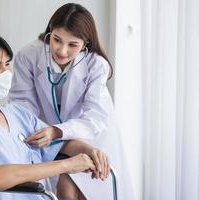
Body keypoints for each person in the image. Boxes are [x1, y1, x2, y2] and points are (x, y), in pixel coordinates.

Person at [0, 31, 111, 200]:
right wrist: (67, 165)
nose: (6, 72)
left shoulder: (17, 114)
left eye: (7, 64)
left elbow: (59, 143)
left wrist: (91, 151)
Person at [9, 3, 135, 200]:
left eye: (72, 45)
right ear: (50, 31)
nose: (62, 50)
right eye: (57, 40)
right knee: (65, 192)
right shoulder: (28, 56)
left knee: (89, 193)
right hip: (49, 140)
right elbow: (22, 108)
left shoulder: (96, 65)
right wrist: (47, 133)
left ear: (85, 43)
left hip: (91, 138)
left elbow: (94, 118)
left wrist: (57, 131)